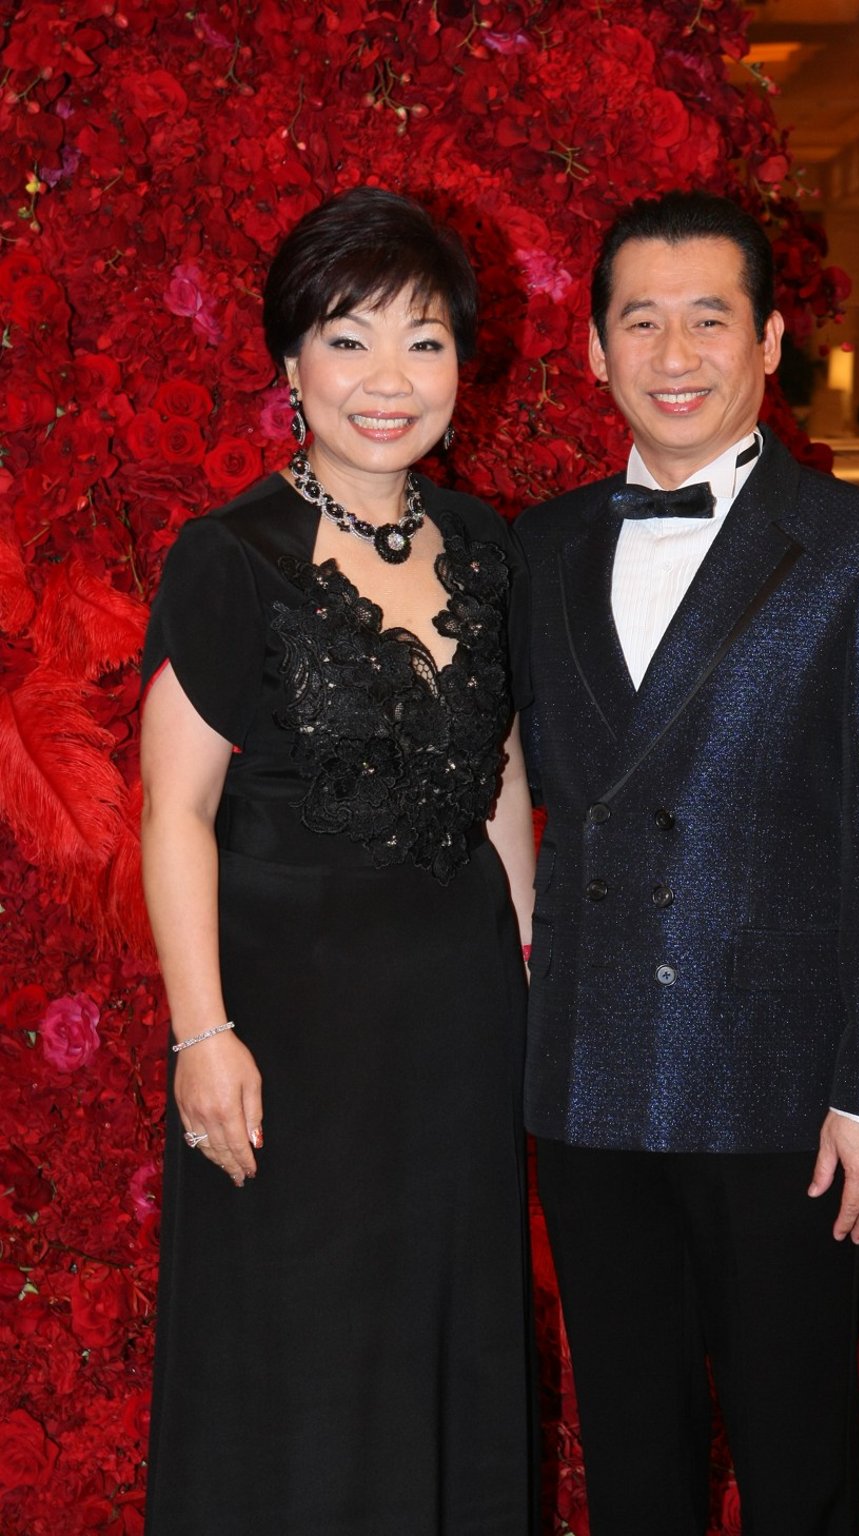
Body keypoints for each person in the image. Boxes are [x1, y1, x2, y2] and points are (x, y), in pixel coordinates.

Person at [514, 190, 859, 1536]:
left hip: (785, 1092)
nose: (676, 353)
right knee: (633, 1456)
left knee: (793, 1454)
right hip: (589, 1081)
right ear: (594, 350)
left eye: (711, 318)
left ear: (768, 340)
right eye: (641, 321)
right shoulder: (536, 548)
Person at [140, 187, 536, 1535]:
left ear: (460, 370)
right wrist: (203, 1036)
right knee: (292, 1358)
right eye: (350, 338)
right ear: (289, 361)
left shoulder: (487, 548)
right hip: (288, 1030)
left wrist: (527, 971)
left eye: (424, 343)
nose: (388, 381)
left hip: (457, 1022)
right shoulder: (231, 557)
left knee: (449, 1335)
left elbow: (500, 773)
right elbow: (175, 814)